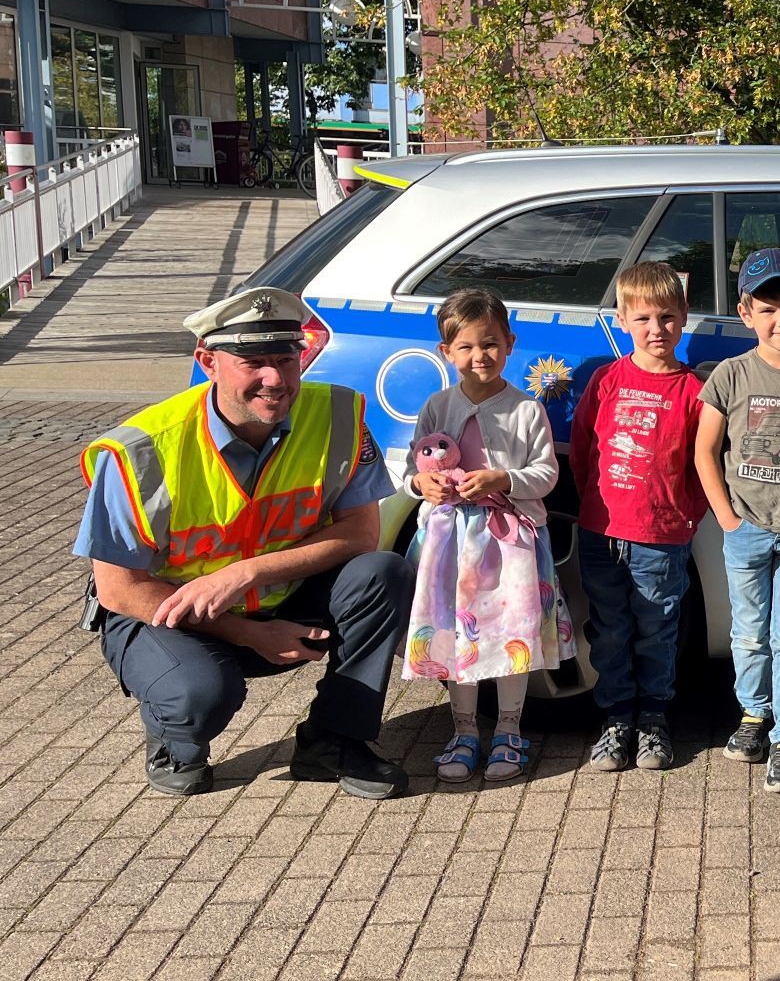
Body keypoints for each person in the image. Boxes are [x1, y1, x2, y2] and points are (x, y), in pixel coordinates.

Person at [76, 286, 411, 799]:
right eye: (253, 362)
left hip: (281, 601)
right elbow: (121, 590)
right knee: (201, 695)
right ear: (208, 362)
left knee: (384, 573)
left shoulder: (338, 415)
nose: (275, 379)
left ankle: (335, 740)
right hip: (168, 615)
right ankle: (175, 741)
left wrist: (246, 573)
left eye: (286, 359)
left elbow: (360, 534)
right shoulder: (141, 449)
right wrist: (249, 633)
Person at [400, 287, 573, 782]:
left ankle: (509, 730)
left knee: (510, 633)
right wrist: (421, 485)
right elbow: (415, 464)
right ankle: (464, 731)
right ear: (446, 352)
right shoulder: (437, 405)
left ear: (510, 344)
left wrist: (504, 480)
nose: (480, 355)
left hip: (509, 542)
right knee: (457, 634)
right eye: (467, 346)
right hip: (451, 542)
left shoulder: (525, 409)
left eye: (491, 343)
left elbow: (546, 474)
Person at [697, 248, 780, 794]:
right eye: (768, 309)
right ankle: (754, 714)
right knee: (748, 633)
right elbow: (705, 452)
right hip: (745, 530)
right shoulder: (730, 375)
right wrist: (727, 518)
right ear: (745, 313)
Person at [568, 261, 707, 775]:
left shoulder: (693, 391)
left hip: (662, 537)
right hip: (601, 533)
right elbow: (583, 451)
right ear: (623, 320)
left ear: (684, 316)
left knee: (658, 631)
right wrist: (593, 506)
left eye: (667, 317)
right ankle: (616, 718)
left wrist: (687, 516)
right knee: (608, 630)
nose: (656, 329)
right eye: (644, 318)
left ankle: (653, 717)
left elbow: (703, 464)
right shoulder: (606, 380)